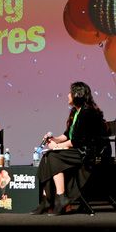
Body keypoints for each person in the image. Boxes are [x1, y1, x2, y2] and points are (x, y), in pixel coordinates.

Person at [31, 81, 109, 216]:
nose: (68, 95)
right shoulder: (76, 112)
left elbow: (78, 141)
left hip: (88, 152)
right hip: (78, 149)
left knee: (53, 156)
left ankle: (60, 198)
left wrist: (57, 147)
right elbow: (67, 135)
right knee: (48, 156)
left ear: (77, 95)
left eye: (70, 93)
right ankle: (46, 200)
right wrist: (54, 139)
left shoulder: (88, 113)